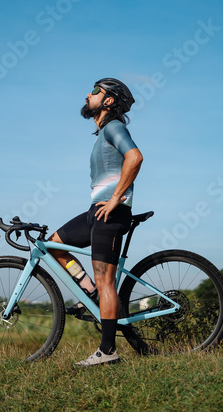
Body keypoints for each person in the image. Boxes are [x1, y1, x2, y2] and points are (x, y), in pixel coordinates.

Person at [48, 78, 143, 366]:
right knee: (53, 246)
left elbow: (135, 157)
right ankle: (89, 292)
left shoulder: (114, 127)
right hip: (94, 212)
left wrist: (116, 198)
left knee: (106, 281)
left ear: (109, 101)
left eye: (94, 91)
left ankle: (108, 351)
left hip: (110, 213)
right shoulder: (102, 133)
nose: (87, 95)